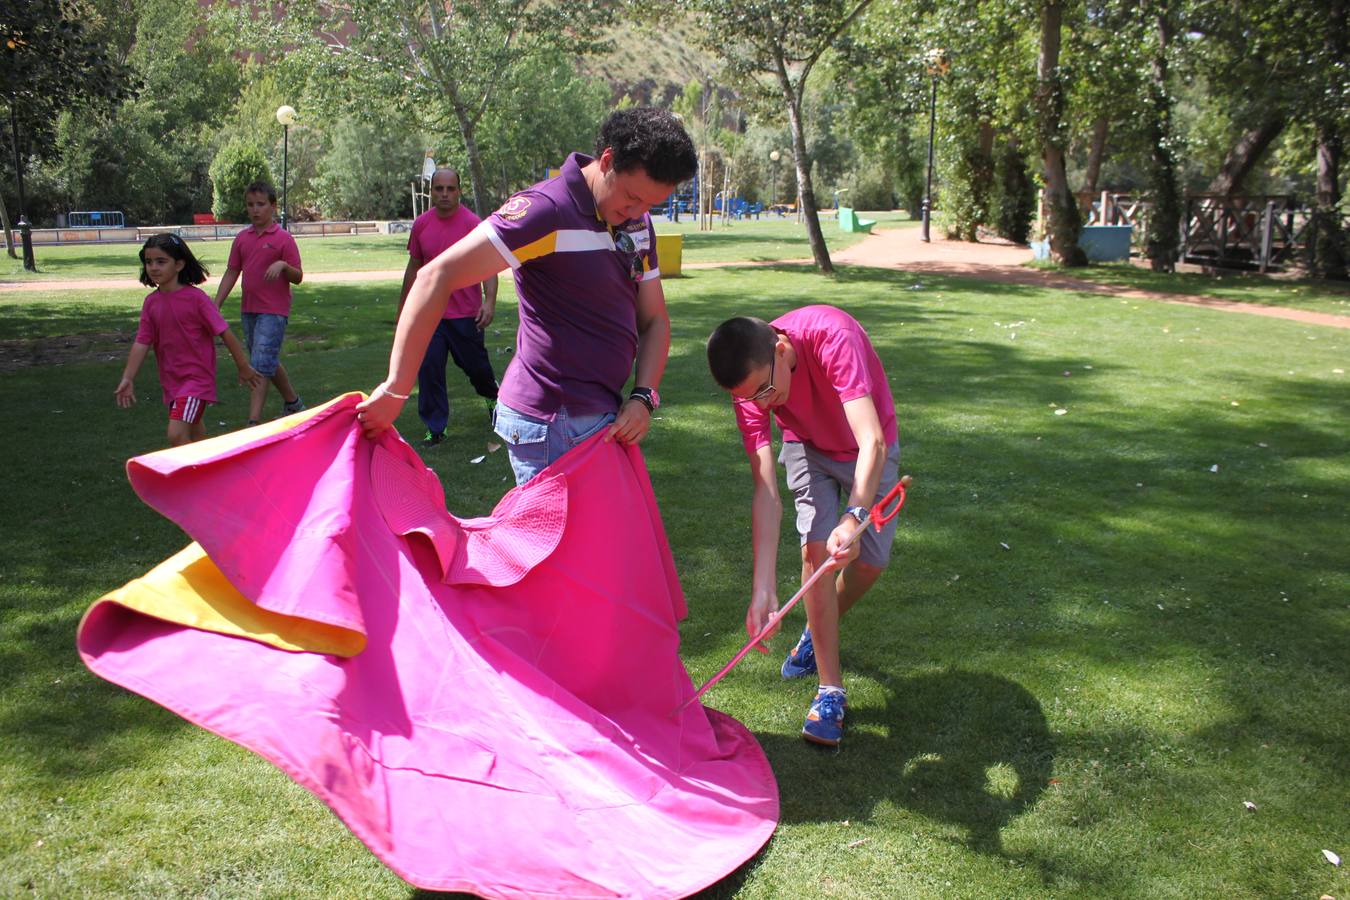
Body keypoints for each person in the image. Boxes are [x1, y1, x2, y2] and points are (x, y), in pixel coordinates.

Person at [356, 107, 698, 486]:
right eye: (633, 197)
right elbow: (435, 275)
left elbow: (654, 320)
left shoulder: (636, 222)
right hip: (550, 423)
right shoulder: (545, 210)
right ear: (607, 161)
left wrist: (644, 397)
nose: (638, 212)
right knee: (565, 546)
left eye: (651, 205)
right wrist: (396, 388)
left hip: (602, 413)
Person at [705, 307, 901, 747]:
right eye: (748, 398)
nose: (761, 404)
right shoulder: (750, 391)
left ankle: (815, 629)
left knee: (870, 562)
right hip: (806, 448)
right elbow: (766, 493)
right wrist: (763, 588)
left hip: (866, 451)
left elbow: (872, 440)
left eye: (765, 390)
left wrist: (854, 515)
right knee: (818, 556)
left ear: (781, 348)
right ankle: (830, 691)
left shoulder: (833, 336)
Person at [116, 234, 263, 446]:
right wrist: (128, 377)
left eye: (161, 261)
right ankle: (210, 472)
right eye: (148, 262)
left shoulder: (197, 299)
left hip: (196, 381)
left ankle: (190, 476)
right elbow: (142, 341)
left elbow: (225, 332)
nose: (153, 267)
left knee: (176, 434)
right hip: (172, 381)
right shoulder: (151, 303)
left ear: (179, 264)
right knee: (195, 435)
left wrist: (243, 366)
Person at [398, 167, 500, 447]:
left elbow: (489, 265)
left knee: (476, 368)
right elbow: (414, 267)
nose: (444, 194)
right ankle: (435, 426)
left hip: (465, 314)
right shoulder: (421, 225)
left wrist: (489, 301)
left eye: (450, 189)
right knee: (429, 370)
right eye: (439, 189)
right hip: (430, 314)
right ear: (431, 192)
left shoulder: (472, 224)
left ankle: (492, 396)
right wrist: (404, 309)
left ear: (459, 191)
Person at [213, 181, 306, 426]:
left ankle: (253, 422)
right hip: (249, 310)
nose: (255, 210)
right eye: (250, 205)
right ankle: (294, 404)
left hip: (274, 312)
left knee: (259, 363)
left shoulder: (284, 239)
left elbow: (298, 277)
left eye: (261, 205)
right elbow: (232, 271)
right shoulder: (242, 239)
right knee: (267, 359)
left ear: (273, 207)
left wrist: (284, 266)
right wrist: (216, 304)